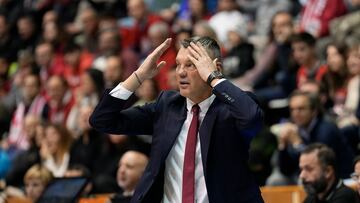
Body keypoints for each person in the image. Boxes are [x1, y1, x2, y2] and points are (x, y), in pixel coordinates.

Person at [90, 36, 264, 202]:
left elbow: (252, 117)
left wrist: (213, 77)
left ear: (214, 67)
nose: (180, 72)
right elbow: (102, 120)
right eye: (178, 65)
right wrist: (139, 75)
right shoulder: (167, 106)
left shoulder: (230, 109)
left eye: (191, 65)